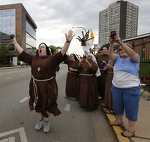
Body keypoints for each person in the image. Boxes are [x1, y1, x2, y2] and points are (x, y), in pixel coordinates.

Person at [11, 30, 75, 133]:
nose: (40, 48)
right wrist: (15, 43)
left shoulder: (52, 59)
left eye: (42, 47)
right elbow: (22, 52)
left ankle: (47, 121)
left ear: (47, 50)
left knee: (48, 105)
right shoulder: (33, 59)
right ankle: (40, 120)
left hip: (48, 86)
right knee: (38, 104)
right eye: (39, 47)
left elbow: (62, 52)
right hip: (36, 86)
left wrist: (67, 42)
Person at [108, 34, 140, 138]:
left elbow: (131, 53)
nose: (121, 50)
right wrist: (112, 44)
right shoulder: (118, 58)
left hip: (131, 89)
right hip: (116, 88)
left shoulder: (134, 58)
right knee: (118, 106)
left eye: (123, 49)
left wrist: (120, 42)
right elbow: (110, 55)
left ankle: (131, 129)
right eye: (120, 49)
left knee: (131, 108)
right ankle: (119, 121)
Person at [104, 46, 118, 114]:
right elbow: (107, 66)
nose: (112, 51)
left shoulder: (117, 58)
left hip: (113, 75)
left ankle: (113, 108)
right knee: (108, 90)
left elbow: (119, 69)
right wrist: (106, 68)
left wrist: (111, 67)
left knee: (112, 91)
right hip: (109, 75)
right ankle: (108, 105)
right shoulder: (110, 59)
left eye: (114, 50)